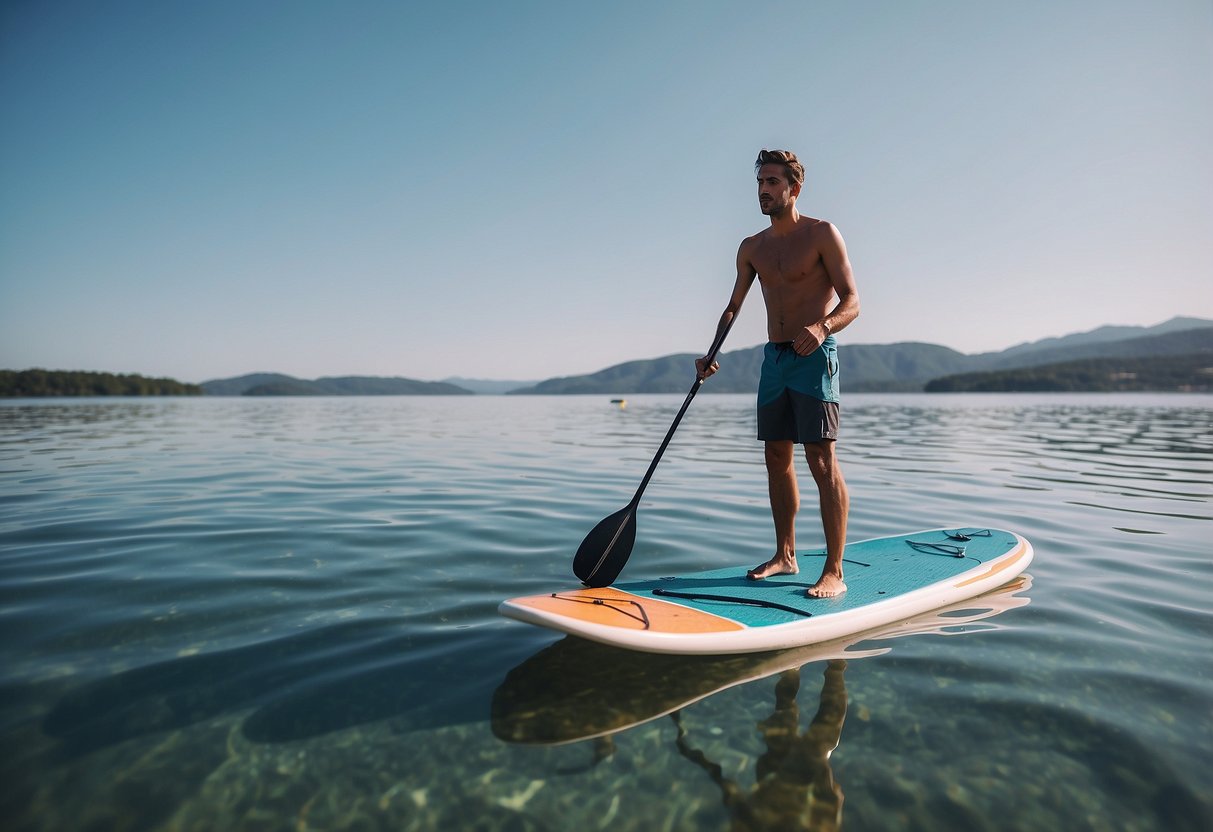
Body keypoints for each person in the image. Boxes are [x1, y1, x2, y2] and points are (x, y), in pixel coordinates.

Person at [696, 149, 859, 598]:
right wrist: (711, 352)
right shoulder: (752, 247)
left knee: (821, 461)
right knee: (775, 459)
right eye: (759, 183)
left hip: (815, 354)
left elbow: (852, 300)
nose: (763, 191)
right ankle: (786, 555)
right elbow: (733, 306)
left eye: (772, 182)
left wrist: (822, 325)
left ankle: (834, 569)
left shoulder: (822, 234)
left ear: (794, 188)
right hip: (775, 360)